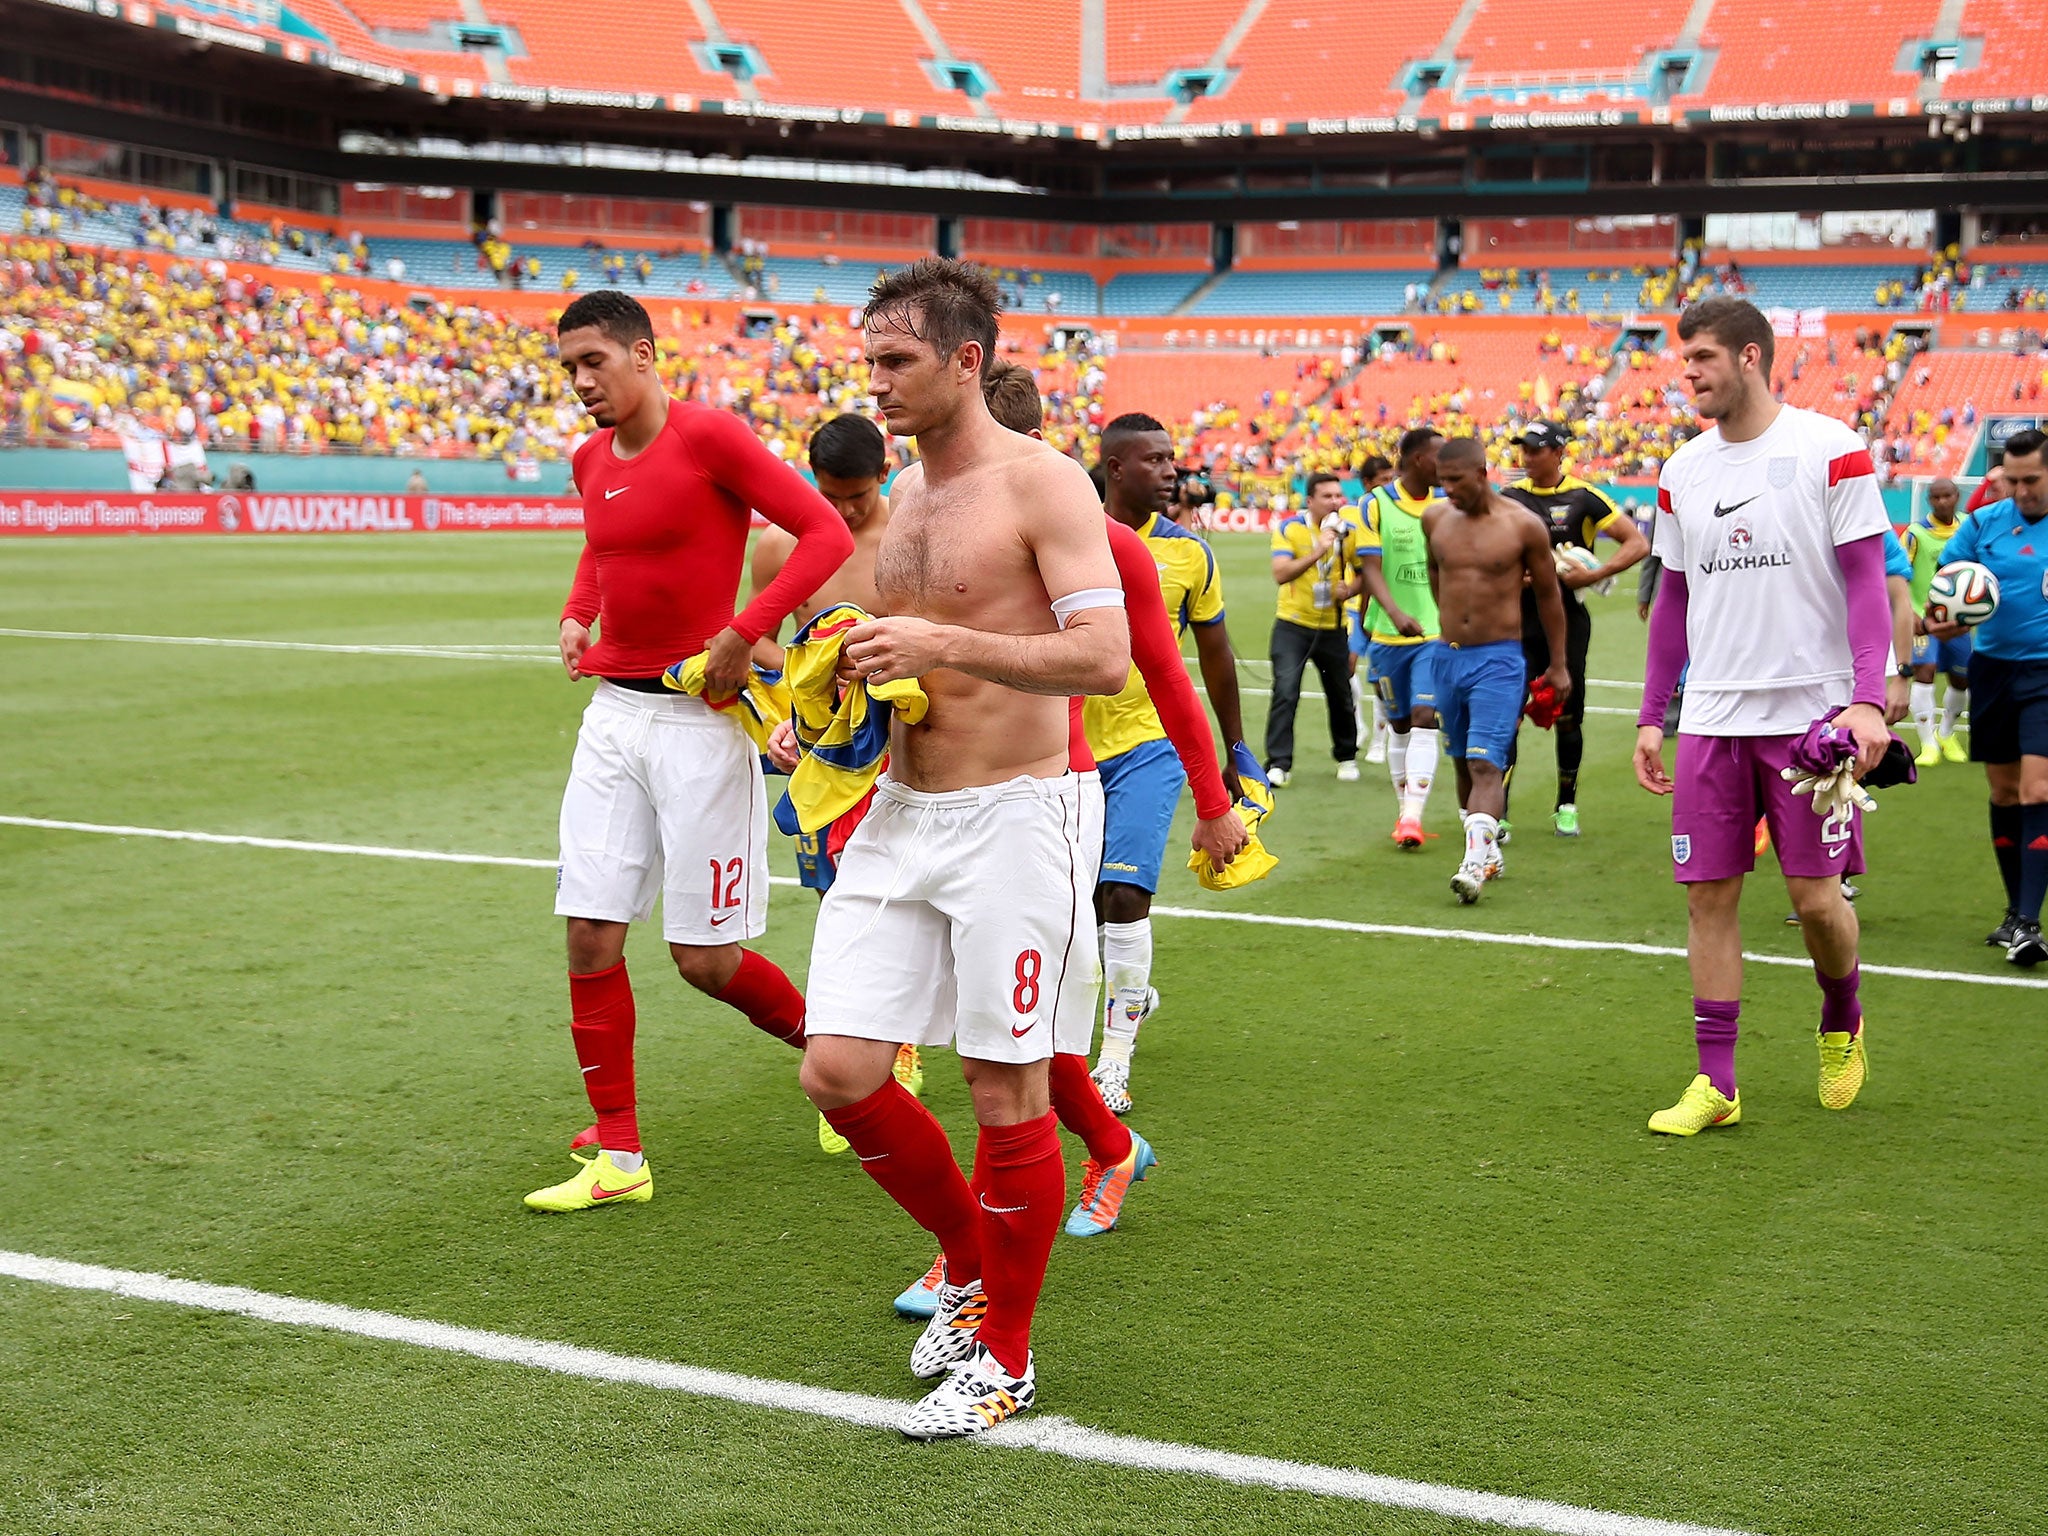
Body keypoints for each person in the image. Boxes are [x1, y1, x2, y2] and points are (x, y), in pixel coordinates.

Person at [795, 259, 1130, 1439]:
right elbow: (917, 667)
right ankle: (966, 1258)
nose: (873, 383)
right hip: (901, 812)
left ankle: (1007, 1362)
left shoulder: (1045, 486)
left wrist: (939, 637)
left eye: (895, 361)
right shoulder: (903, 501)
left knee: (1002, 1087)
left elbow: (1102, 663)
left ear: (966, 360)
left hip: (1017, 817)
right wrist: (836, 701)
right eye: (868, 360)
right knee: (837, 1072)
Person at [527, 290, 853, 1213]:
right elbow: (601, 546)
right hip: (611, 720)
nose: (581, 383)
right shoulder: (589, 457)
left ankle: (842, 1056)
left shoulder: (711, 437)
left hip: (700, 724)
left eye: (594, 362)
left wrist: (745, 630)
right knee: (590, 931)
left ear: (642, 353)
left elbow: (822, 534)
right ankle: (619, 1154)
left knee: (703, 961)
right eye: (568, 370)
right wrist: (577, 612)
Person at [1634, 296, 1894, 1136]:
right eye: (1684, 361)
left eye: (1702, 358)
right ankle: (1718, 1083)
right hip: (1711, 718)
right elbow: (1671, 599)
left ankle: (1842, 1015)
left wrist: (1864, 694)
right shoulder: (1682, 470)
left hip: (1809, 721)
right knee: (1707, 898)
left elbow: (1865, 582)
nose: (1689, 374)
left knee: (1816, 902)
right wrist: (1653, 714)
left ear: (1750, 357)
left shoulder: (1831, 449)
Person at [748, 411, 922, 1155]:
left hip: (911, 742)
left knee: (903, 889)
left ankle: (900, 1043)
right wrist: (797, 697)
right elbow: (758, 631)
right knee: (834, 894)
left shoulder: (911, 535)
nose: (848, 511)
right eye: (832, 495)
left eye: (859, 495)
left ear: (885, 472)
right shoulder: (782, 543)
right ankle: (865, 1047)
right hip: (827, 752)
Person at [1085, 411, 1248, 1117]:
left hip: (1149, 744)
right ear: (1116, 468)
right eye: (1155, 461)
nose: (1172, 472)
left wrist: (1235, 751)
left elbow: (1213, 654)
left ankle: (1113, 1063)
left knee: (1125, 896)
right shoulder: (1067, 538)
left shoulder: (1191, 554)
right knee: (1084, 904)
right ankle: (1132, 990)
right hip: (1065, 744)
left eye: (1172, 460)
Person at [1423, 438, 1569, 903]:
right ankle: (1485, 849)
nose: (1447, 490)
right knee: (1461, 760)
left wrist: (1559, 664)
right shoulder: (1436, 519)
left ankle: (1472, 864)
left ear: (1482, 472)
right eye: (1441, 481)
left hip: (1499, 660)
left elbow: (1548, 595)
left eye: (1456, 480)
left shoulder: (1522, 525)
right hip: (1447, 656)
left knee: (1486, 762)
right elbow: (1435, 573)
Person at [1924, 427, 2048, 965]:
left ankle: (2028, 920)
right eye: (2012, 480)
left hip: (2045, 671)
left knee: (2037, 789)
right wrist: (1944, 623)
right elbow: (1944, 587)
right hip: (1992, 670)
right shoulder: (1983, 524)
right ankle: (2012, 914)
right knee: (2003, 793)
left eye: (2032, 480)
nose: (2021, 490)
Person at [1500, 419, 1648, 837]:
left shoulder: (1585, 497)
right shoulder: (1508, 499)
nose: (1527, 457)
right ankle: (1499, 813)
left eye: (1535, 449)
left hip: (1567, 622)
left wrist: (1590, 574)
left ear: (1558, 451)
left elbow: (1637, 543)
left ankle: (1566, 805)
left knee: (1568, 715)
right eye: (1523, 449)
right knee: (1508, 715)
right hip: (1518, 620)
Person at [1354, 427, 1447, 846]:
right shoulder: (1374, 504)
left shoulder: (1449, 504)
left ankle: (1412, 818)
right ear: (1413, 460)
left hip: (1436, 634)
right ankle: (1403, 813)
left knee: (1425, 717)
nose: (1444, 465)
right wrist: (1393, 612)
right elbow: (1370, 567)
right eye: (1437, 456)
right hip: (1389, 635)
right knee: (1399, 726)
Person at [1265, 473, 1358, 784]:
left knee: (1340, 694)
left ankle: (1346, 757)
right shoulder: (1290, 528)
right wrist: (1318, 551)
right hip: (1292, 624)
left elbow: (1367, 571)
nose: (1336, 501)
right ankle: (1278, 763)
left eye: (1338, 495)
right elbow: (1280, 573)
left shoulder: (1349, 531)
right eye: (1328, 496)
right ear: (1310, 501)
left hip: (1333, 624)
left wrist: (1352, 588)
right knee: (1286, 691)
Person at [1902, 477, 1971, 766]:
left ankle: (1946, 733)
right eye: (1936, 497)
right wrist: (1910, 612)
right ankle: (1927, 744)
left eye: (1948, 496)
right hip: (1923, 618)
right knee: (1925, 670)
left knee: (1961, 678)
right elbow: (1899, 574)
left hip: (1958, 619)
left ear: (1957, 497)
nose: (1942, 502)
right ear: (1929, 500)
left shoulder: (1969, 526)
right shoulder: (1915, 533)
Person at [1349, 455, 1396, 764]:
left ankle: (1381, 739)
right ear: (1367, 484)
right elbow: (1359, 568)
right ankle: (1358, 728)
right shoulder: (1351, 517)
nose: (1389, 486)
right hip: (1356, 607)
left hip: (1386, 605)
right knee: (1346, 668)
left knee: (1381, 680)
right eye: (1383, 481)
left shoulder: (1393, 513)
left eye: (1391, 479)